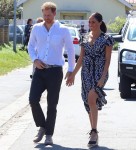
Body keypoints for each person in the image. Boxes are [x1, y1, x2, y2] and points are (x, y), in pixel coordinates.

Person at [28, 2, 75, 146]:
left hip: (55, 71)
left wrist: (71, 70)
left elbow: (71, 50)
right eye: (44, 15)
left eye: (49, 15)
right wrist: (35, 59)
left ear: (54, 14)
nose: (46, 17)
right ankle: (42, 126)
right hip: (39, 70)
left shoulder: (63, 30)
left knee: (51, 104)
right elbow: (30, 46)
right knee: (33, 99)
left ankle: (49, 135)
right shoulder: (36, 28)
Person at [66, 12, 114, 148]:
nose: (91, 24)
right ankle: (94, 130)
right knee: (88, 101)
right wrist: (73, 74)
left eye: (93, 22)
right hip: (86, 72)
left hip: (99, 72)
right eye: (89, 22)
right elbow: (80, 59)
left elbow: (108, 60)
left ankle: (94, 132)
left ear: (100, 22)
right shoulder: (84, 37)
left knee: (92, 97)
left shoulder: (107, 39)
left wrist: (104, 76)